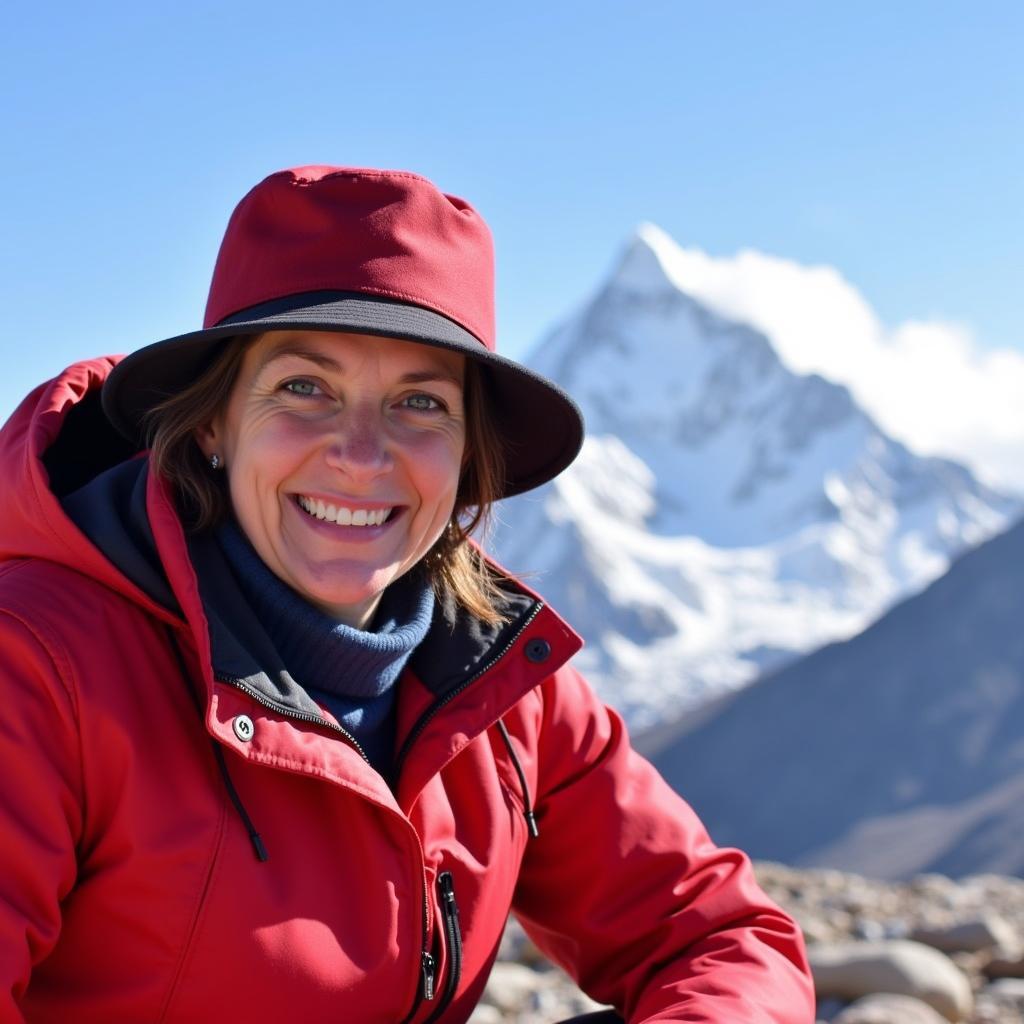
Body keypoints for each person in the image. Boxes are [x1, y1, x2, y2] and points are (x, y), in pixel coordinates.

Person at [0, 165, 814, 1023]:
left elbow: (719, 937)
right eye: (304, 388)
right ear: (213, 422)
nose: (361, 452)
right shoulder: (38, 664)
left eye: (419, 403)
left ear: (469, 456)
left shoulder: (505, 687)